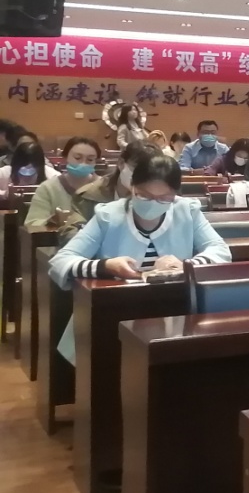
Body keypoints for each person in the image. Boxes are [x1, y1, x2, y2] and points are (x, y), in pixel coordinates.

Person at [50, 152, 231, 364]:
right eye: (144, 195)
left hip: (174, 314)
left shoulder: (187, 211)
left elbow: (220, 251)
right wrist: (106, 266)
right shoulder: (108, 216)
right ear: (132, 187)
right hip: (112, 316)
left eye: (164, 198)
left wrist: (186, 265)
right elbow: (61, 261)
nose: (153, 203)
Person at [25, 137, 100, 232]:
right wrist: (54, 220)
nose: (83, 164)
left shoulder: (105, 188)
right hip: (57, 240)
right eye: (77, 158)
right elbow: (32, 224)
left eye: (90, 159)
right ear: (65, 158)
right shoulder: (48, 188)